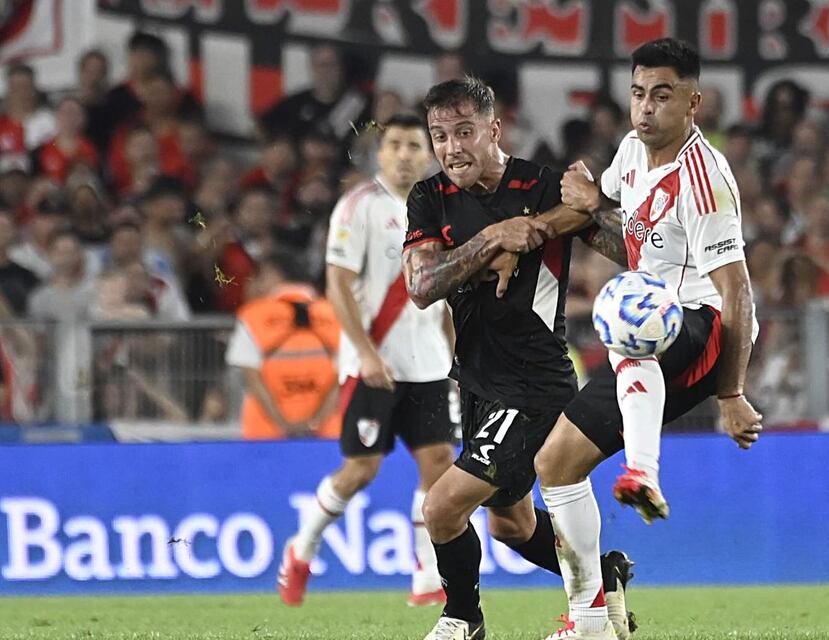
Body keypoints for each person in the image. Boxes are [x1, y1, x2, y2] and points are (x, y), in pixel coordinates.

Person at [531, 39, 762, 639]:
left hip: (702, 325)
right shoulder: (631, 151)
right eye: (638, 94)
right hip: (651, 330)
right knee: (555, 465)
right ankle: (591, 621)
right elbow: (606, 209)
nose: (646, 108)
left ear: (693, 102)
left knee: (630, 312)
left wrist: (732, 393)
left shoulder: (705, 179)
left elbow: (737, 292)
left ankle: (644, 472)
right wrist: (537, 226)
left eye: (662, 95)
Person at [402, 77, 633, 640]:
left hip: (534, 383)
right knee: (512, 525)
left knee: (441, 508)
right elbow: (422, 286)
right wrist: (493, 240)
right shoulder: (429, 197)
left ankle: (462, 618)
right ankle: (605, 575)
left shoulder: (543, 184)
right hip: (477, 382)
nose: (452, 148)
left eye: (464, 132)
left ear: (494, 129)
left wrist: (595, 205)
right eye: (440, 136)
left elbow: (630, 249)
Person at [276, 112, 457, 608]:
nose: (404, 154)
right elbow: (337, 283)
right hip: (374, 362)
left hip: (428, 363)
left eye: (414, 145)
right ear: (380, 153)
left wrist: (455, 361)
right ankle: (302, 547)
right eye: (395, 144)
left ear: (429, 154)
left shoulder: (445, 209)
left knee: (438, 466)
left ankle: (427, 575)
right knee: (361, 469)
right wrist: (364, 352)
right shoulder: (358, 206)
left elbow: (444, 295)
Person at [225, 251, 341, 440]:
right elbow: (344, 379)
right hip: (328, 437)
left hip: (266, 437)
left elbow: (253, 380)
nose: (251, 284)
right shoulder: (335, 313)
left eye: (258, 277)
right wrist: (315, 422)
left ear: (273, 274)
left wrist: (283, 425)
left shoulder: (252, 316)